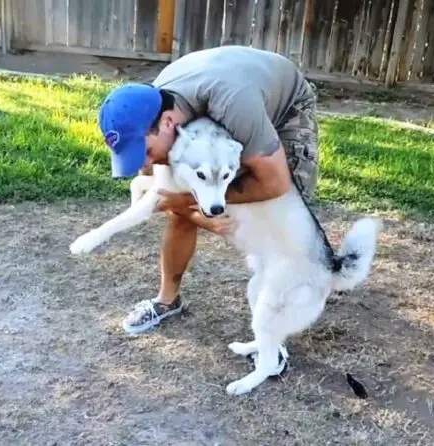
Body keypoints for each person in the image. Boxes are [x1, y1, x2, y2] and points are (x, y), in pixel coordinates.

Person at [97, 45, 320, 335]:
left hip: (281, 105)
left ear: (167, 123)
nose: (143, 167)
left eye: (146, 152)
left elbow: (275, 184)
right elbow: (166, 191)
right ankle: (167, 301)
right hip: (227, 93)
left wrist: (190, 201)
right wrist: (188, 203)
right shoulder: (152, 106)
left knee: (284, 213)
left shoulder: (233, 105)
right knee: (180, 206)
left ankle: (277, 326)